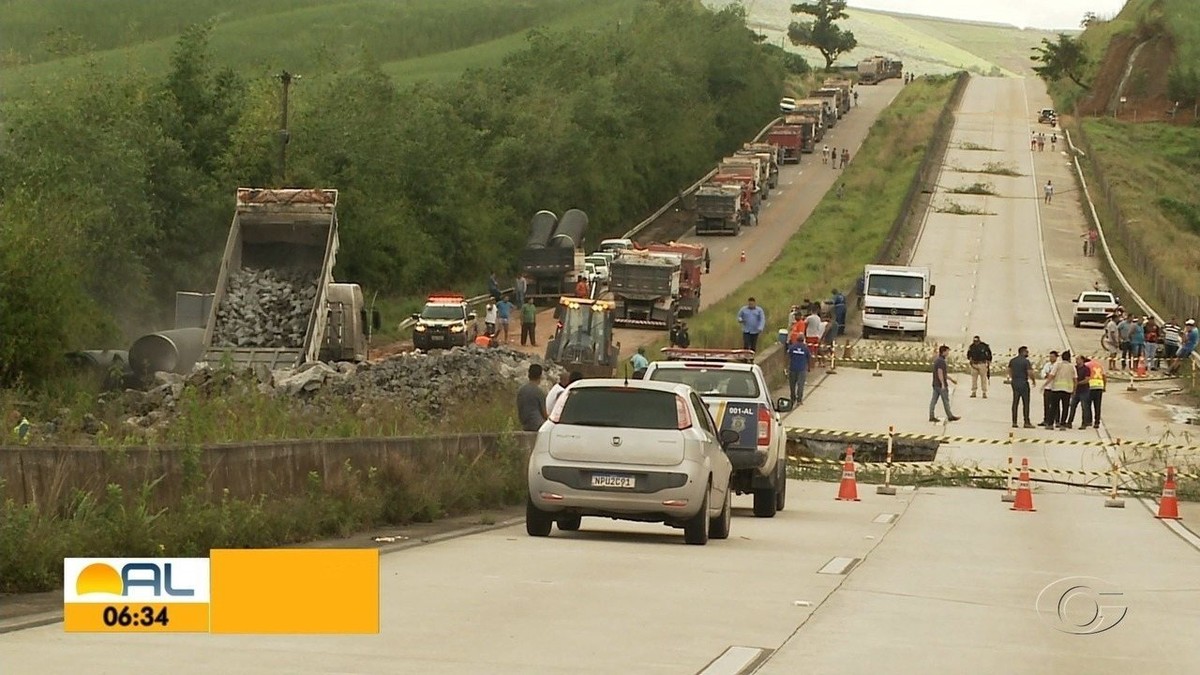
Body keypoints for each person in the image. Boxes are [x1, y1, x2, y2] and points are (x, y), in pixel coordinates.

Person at [1007, 346, 1036, 429]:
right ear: (1022, 352)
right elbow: (1030, 372)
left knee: (1015, 402)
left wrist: (1012, 377)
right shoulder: (1026, 362)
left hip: (1015, 382)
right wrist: (1033, 380)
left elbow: (1009, 370)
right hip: (1023, 382)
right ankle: (1026, 422)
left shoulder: (1013, 360)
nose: (1027, 353)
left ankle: (1014, 422)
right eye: (1026, 352)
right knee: (1026, 403)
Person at [929, 345, 960, 423]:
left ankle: (931, 416)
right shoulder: (941, 361)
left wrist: (951, 379)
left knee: (933, 401)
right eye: (947, 351)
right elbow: (940, 373)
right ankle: (950, 416)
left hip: (935, 384)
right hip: (940, 385)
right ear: (944, 352)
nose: (948, 353)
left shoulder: (938, 360)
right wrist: (943, 383)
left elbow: (943, 374)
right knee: (946, 401)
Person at [517, 364, 548, 431]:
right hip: (538, 425)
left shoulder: (521, 390)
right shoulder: (539, 392)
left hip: (525, 424)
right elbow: (544, 414)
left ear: (529, 375)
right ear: (540, 376)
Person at [1050, 350, 1076, 429]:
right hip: (1067, 390)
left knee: (1054, 407)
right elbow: (1075, 379)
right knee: (1065, 408)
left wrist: (1045, 384)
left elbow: (1052, 375)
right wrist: (1074, 390)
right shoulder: (1072, 366)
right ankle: (1062, 424)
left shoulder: (1057, 365)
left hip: (1056, 389)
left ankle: (1050, 424)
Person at [1066, 355, 1093, 429]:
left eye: (1078, 359)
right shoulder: (1074, 368)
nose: (1076, 361)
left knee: (1084, 407)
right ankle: (1069, 422)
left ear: (1082, 360)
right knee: (1072, 407)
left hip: (1084, 390)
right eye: (1076, 359)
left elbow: (1087, 379)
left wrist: (1077, 383)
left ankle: (1084, 423)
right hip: (1076, 390)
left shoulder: (1086, 369)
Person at [787, 336, 812, 405]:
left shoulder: (792, 347)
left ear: (796, 340)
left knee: (792, 385)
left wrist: (787, 366)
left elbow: (788, 356)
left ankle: (792, 398)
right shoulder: (805, 348)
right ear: (803, 340)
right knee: (800, 385)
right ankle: (799, 400)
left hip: (792, 368)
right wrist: (809, 367)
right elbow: (809, 358)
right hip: (801, 369)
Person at [1038, 351, 1060, 427]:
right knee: (1046, 405)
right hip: (1048, 388)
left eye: (1053, 357)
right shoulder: (1047, 365)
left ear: (1056, 357)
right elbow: (1043, 373)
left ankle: (1057, 420)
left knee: (1055, 405)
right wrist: (1047, 375)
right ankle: (1046, 420)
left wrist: (1050, 375)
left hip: (1055, 387)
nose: (1051, 358)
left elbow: (1056, 375)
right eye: (1050, 357)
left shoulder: (1058, 365)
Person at [1087, 356, 1106, 429]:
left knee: (1088, 404)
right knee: (1097, 406)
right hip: (1099, 386)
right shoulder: (1099, 365)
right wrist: (1104, 386)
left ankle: (1089, 420)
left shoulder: (1087, 365)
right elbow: (1104, 377)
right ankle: (1097, 422)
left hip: (1090, 386)